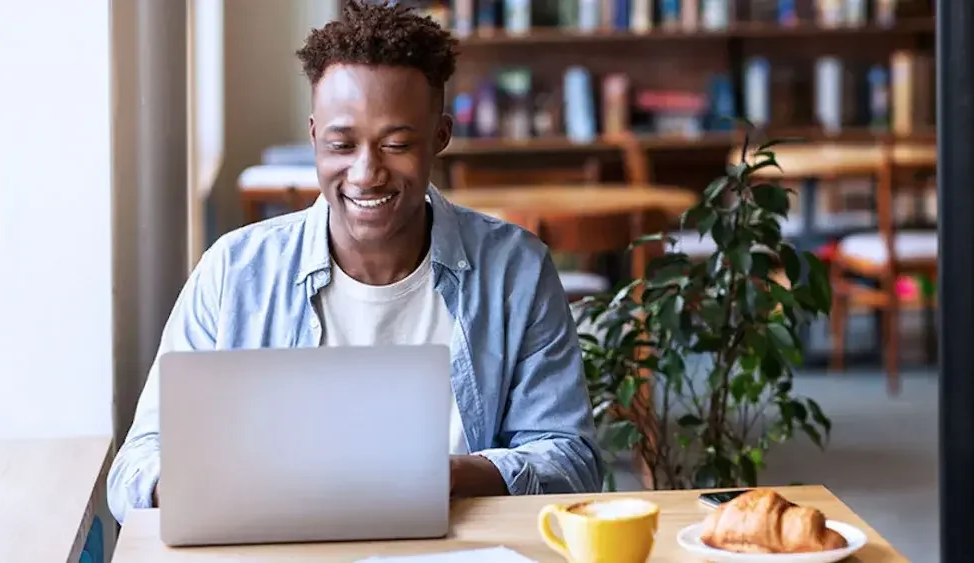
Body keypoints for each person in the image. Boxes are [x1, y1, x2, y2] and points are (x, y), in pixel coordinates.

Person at [106, 0, 604, 525]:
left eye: (396, 144)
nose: (366, 173)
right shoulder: (233, 274)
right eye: (342, 144)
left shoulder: (515, 272)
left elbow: (572, 461)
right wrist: (199, 485)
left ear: (440, 136)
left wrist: (445, 475)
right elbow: (134, 468)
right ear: (315, 135)